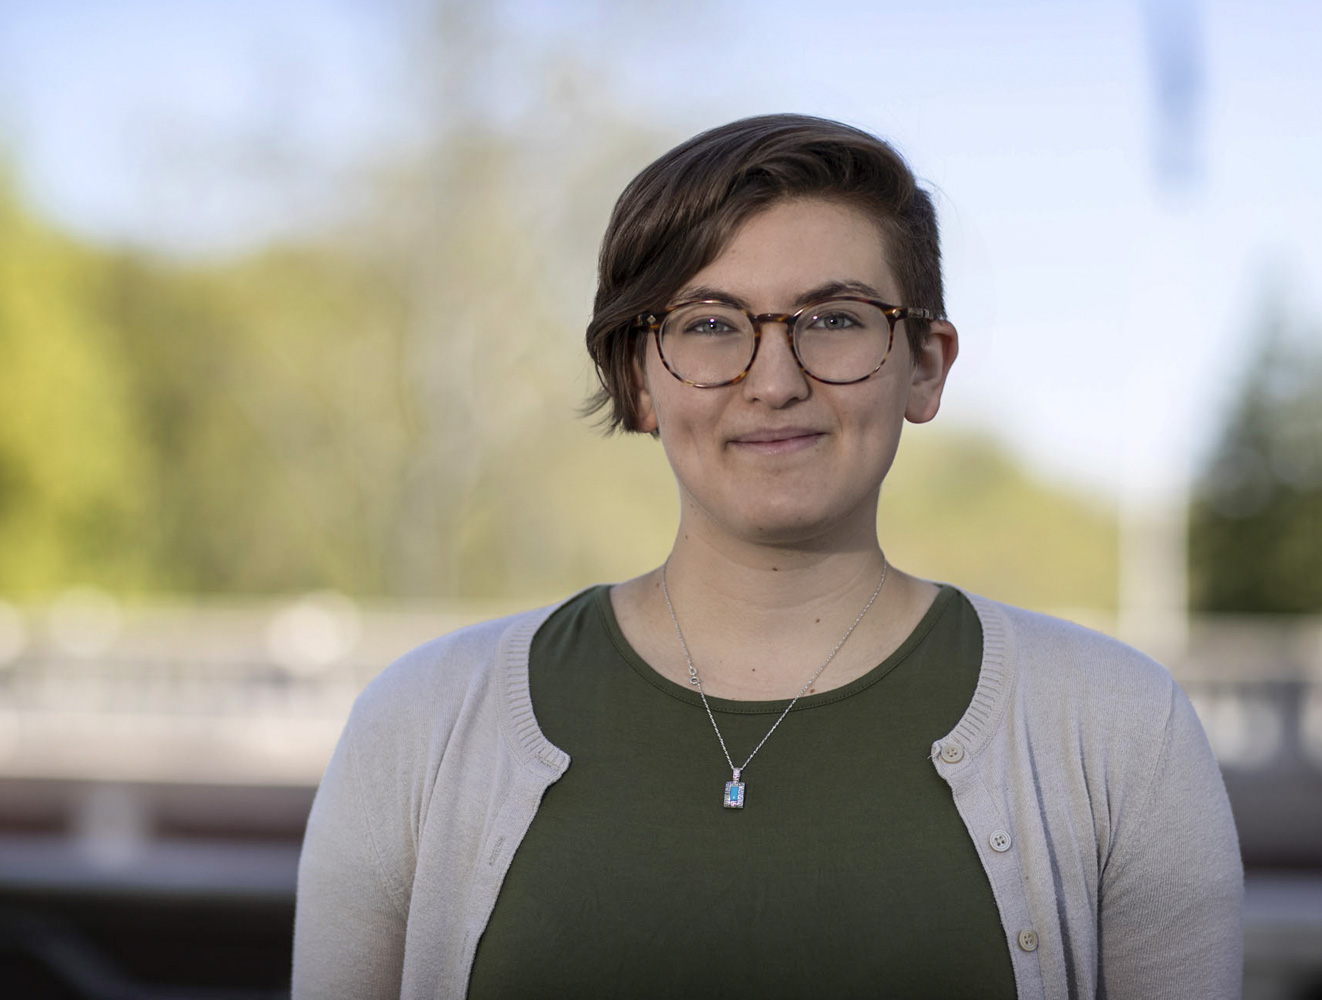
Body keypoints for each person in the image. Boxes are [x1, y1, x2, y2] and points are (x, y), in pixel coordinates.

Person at [292, 114, 1243, 999]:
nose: (774, 381)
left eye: (833, 318)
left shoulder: (1122, 733)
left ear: (925, 365)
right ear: (638, 375)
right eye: (710, 324)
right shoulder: (416, 730)